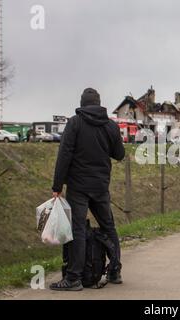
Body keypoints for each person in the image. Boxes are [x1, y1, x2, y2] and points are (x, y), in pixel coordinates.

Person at [50, 88, 125, 291]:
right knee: (109, 227)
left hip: (78, 187)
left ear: (83, 104)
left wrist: (57, 186)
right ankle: (115, 271)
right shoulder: (111, 126)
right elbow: (119, 154)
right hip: (101, 186)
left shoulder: (75, 123)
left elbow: (64, 154)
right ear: (99, 104)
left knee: (78, 230)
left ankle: (74, 278)